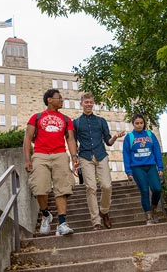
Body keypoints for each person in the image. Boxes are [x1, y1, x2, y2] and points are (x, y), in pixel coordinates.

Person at [23, 89, 79, 236]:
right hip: (40, 155)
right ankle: (46, 214)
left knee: (62, 188)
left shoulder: (66, 119)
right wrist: (28, 159)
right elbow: (28, 138)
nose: (62, 100)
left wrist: (74, 156)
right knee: (39, 188)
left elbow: (71, 139)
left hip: (60, 154)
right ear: (49, 100)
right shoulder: (36, 117)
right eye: (58, 98)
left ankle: (62, 223)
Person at [74, 92, 125, 230]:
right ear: (81, 104)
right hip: (85, 157)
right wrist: (75, 157)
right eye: (86, 102)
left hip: (101, 155)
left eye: (91, 102)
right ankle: (96, 221)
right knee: (91, 188)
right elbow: (73, 141)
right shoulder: (76, 123)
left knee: (107, 186)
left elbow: (108, 142)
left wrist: (115, 137)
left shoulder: (101, 121)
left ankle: (104, 211)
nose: (89, 104)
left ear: (93, 103)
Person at [122, 114, 164, 225]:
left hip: (151, 166)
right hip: (137, 167)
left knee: (157, 189)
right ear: (133, 124)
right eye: (137, 123)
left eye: (141, 123)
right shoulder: (129, 137)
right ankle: (148, 217)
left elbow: (157, 151)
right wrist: (128, 171)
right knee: (144, 190)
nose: (139, 125)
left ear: (144, 123)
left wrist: (160, 167)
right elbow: (126, 155)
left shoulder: (150, 135)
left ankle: (153, 209)